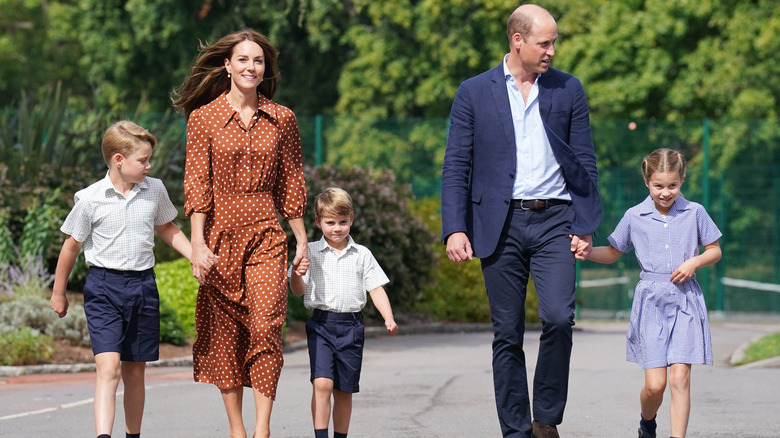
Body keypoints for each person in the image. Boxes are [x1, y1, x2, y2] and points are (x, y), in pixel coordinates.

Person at [440, 4, 602, 438]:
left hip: (555, 221)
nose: (552, 50)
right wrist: (455, 227)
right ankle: (515, 431)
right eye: (544, 42)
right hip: (499, 224)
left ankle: (545, 417)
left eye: (554, 42)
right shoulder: (473, 91)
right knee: (507, 334)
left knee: (558, 318)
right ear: (517, 40)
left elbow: (585, 160)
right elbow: (457, 163)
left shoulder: (569, 89)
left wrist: (584, 225)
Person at [172, 28, 308, 438]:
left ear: (266, 68)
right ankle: (237, 429)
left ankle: (263, 429)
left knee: (266, 324)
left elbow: (291, 181)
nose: (252, 67)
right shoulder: (204, 118)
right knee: (225, 332)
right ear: (227, 65)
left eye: (259, 61)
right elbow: (196, 183)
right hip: (218, 238)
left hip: (268, 233)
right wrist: (197, 245)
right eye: (244, 60)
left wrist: (300, 238)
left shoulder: (282, 118)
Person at [49, 120, 193, 438]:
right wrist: (59, 292)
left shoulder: (154, 189)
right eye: (142, 160)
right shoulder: (89, 199)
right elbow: (71, 246)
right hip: (103, 288)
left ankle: (132, 436)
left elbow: (167, 228)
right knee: (109, 368)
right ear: (118, 160)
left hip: (143, 286)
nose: (148, 165)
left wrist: (195, 255)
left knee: (134, 371)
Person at [582, 148, 721, 438]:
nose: (666, 192)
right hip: (651, 304)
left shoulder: (695, 212)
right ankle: (647, 422)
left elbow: (714, 251)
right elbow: (613, 251)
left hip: (686, 301)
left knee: (680, 378)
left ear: (682, 180)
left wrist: (695, 261)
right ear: (647, 182)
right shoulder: (635, 216)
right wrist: (585, 252)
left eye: (673, 185)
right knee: (655, 386)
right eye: (659, 185)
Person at [289, 187, 398, 438]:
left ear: (351, 220)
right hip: (321, 325)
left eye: (342, 222)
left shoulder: (362, 255)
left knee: (344, 390)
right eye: (330, 222)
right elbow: (298, 290)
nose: (336, 228)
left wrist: (388, 317)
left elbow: (376, 289)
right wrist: (296, 272)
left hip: (351, 327)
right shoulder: (310, 253)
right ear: (318, 222)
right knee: (322, 383)